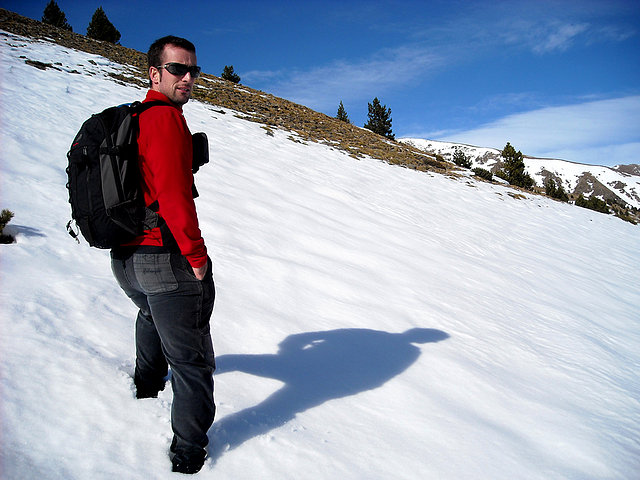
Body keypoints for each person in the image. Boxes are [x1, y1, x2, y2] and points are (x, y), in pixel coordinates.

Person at [110, 35, 215, 475]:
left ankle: (146, 388)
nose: (188, 77)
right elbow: (174, 197)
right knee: (191, 360)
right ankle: (189, 455)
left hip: (126, 259)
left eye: (193, 70)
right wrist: (196, 255)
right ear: (154, 73)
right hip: (163, 256)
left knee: (151, 314)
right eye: (177, 69)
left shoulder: (134, 117)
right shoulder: (166, 120)